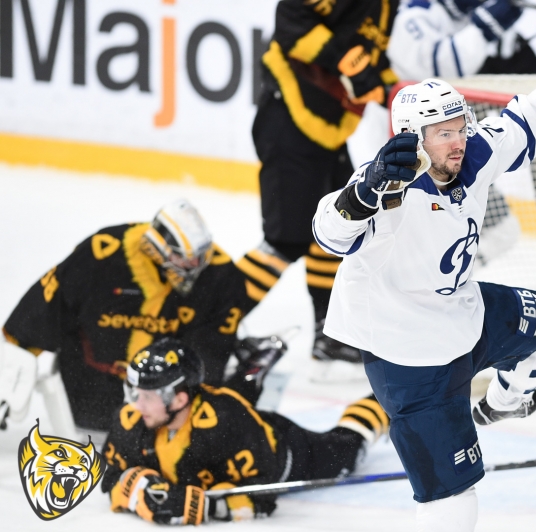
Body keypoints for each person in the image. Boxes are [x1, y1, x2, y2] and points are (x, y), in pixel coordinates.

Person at [312, 26, 536, 531]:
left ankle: (504, 403)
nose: (458, 140)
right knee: (453, 503)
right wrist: (362, 193)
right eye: (444, 133)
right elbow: (330, 232)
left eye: (461, 125)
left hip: (465, 317)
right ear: (413, 139)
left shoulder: (470, 153)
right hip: (409, 358)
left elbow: (525, 120)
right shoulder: (386, 188)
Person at [0, 199, 281, 433]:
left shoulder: (218, 276)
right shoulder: (101, 255)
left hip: (165, 412)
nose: (195, 266)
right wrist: (13, 359)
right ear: (157, 247)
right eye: (185, 258)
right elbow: (45, 308)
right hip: (88, 398)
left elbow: (208, 355)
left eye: (200, 256)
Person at [251, 0, 402, 380]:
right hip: (291, 118)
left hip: (325, 133)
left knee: (341, 224)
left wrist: (387, 83)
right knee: (284, 242)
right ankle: (214, 326)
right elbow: (293, 24)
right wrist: (353, 65)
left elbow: (365, 49)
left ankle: (329, 337)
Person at [388, 0, 536, 259]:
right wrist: (486, 25)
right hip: (418, 135)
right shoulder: (416, 15)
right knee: (465, 185)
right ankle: (452, 246)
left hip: (463, 102)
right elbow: (442, 69)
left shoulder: (479, 11)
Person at [101, 338, 388, 525]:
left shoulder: (225, 425)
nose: (136, 405)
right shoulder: (132, 417)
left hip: (288, 453)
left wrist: (210, 508)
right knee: (231, 402)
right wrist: (139, 489)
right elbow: (109, 473)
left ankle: (390, 400)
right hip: (239, 422)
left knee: (348, 445)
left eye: (148, 396)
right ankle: (249, 374)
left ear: (179, 398)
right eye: (134, 392)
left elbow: (263, 494)